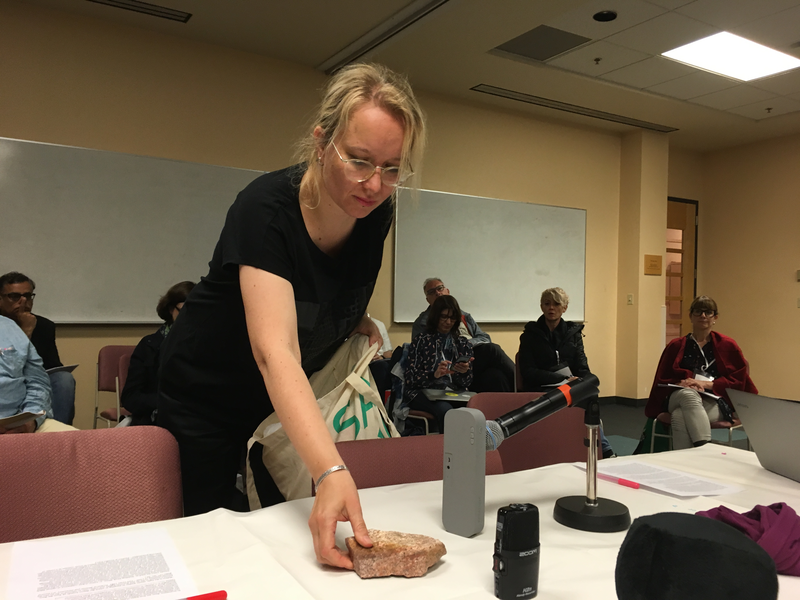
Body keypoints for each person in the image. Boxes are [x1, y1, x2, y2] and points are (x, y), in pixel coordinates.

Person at [157, 63, 426, 569]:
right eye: (360, 161)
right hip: (208, 395)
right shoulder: (265, 209)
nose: (375, 184)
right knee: (213, 538)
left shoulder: (375, 212)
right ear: (321, 143)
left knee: (289, 538)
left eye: (392, 168)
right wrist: (329, 471)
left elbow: (326, 284)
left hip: (280, 403)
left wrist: (350, 317)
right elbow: (273, 350)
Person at [645, 295, 757, 450]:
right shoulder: (675, 346)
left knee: (679, 416)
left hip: (715, 400)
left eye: (708, 312)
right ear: (690, 316)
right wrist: (682, 383)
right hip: (679, 396)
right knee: (688, 394)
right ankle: (704, 448)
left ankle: (685, 460)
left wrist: (705, 384)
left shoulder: (728, 345)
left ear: (715, 317)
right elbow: (662, 379)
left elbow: (738, 381)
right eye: (698, 311)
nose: (703, 316)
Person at [518, 287, 615, 458]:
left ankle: (601, 449)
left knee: (590, 390)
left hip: (569, 385)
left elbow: (582, 367)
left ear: (564, 308)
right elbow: (528, 371)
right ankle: (604, 450)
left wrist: (583, 381)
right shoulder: (530, 335)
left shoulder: (573, 334)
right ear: (541, 307)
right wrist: (562, 378)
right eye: (547, 304)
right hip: (542, 385)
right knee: (568, 396)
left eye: (556, 304)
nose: (551, 308)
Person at [0, 271, 76, 425]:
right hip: (9, 385)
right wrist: (25, 333)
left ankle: (55, 428)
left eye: (28, 296)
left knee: (64, 379)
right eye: (14, 296)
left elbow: (52, 365)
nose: (23, 301)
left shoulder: (44, 326)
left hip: (36, 379)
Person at [412, 277, 514, 392]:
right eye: (431, 292)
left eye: (440, 288)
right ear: (427, 299)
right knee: (492, 350)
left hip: (470, 354)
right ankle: (522, 384)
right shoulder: (422, 323)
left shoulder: (464, 315)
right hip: (448, 361)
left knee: (496, 376)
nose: (437, 293)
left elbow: (485, 337)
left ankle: (518, 398)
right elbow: (421, 355)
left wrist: (466, 345)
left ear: (447, 291)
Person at [120, 281, 195, 426]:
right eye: (183, 311)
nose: (189, 317)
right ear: (171, 310)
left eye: (195, 312)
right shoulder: (149, 346)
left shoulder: (207, 345)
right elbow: (130, 397)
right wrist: (167, 402)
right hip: (157, 419)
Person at [404, 295, 473, 433]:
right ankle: (447, 445)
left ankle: (467, 445)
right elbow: (410, 378)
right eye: (444, 317)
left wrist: (463, 372)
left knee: (472, 411)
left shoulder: (462, 343)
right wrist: (433, 375)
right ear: (435, 316)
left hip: (453, 392)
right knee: (447, 412)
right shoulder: (421, 340)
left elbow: (467, 382)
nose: (448, 322)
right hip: (422, 392)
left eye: (452, 318)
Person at [0, 315, 75, 434]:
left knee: (77, 440)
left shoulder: (11, 328)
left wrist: (31, 421)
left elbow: (38, 382)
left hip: (17, 422)